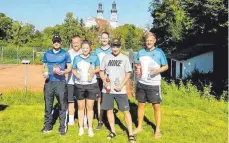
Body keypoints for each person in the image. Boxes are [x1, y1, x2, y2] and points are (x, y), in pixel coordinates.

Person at [100, 39, 136, 143]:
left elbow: (128, 73)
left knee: (126, 111)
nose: (115, 48)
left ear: (120, 47)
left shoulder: (125, 58)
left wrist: (121, 84)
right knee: (109, 110)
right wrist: (105, 81)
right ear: (111, 47)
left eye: (117, 46)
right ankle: (113, 131)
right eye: (113, 46)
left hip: (121, 90)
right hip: (108, 90)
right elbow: (102, 72)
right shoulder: (106, 58)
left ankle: (131, 134)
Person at [133, 32, 168, 138]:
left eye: (150, 40)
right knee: (140, 105)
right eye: (147, 40)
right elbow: (136, 64)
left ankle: (157, 130)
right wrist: (136, 68)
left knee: (156, 106)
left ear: (154, 41)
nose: (148, 42)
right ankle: (139, 126)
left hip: (154, 84)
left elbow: (166, 66)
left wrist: (157, 70)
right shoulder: (140, 52)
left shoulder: (159, 52)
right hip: (141, 82)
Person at [41, 33, 72, 136]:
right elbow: (44, 66)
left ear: (61, 42)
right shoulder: (47, 53)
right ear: (52, 43)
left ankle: (62, 127)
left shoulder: (65, 53)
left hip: (60, 83)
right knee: (48, 105)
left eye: (58, 41)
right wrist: (45, 72)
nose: (56, 43)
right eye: (55, 41)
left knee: (62, 106)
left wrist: (64, 72)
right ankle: (48, 126)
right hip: (49, 82)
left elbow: (69, 67)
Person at [72, 40, 100, 137]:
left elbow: (98, 68)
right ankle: (81, 128)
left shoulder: (94, 57)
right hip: (79, 85)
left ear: (90, 49)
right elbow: (73, 69)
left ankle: (90, 128)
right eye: (83, 48)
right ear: (81, 48)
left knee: (90, 107)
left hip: (91, 85)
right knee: (80, 107)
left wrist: (94, 71)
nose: (85, 50)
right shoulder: (76, 58)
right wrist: (76, 74)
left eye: (87, 48)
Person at [93, 32, 112, 130]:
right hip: (98, 78)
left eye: (106, 38)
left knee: (107, 98)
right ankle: (100, 120)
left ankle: (108, 119)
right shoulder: (96, 50)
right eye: (102, 38)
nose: (104, 39)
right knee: (99, 99)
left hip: (108, 78)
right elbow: (94, 62)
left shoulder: (112, 50)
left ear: (109, 39)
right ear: (100, 39)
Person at [66, 35, 82, 126]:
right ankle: (71, 119)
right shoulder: (68, 53)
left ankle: (83, 119)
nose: (75, 44)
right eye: (74, 42)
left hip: (82, 82)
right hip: (70, 81)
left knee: (81, 101)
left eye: (77, 42)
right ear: (71, 43)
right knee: (70, 101)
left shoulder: (84, 51)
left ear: (80, 42)